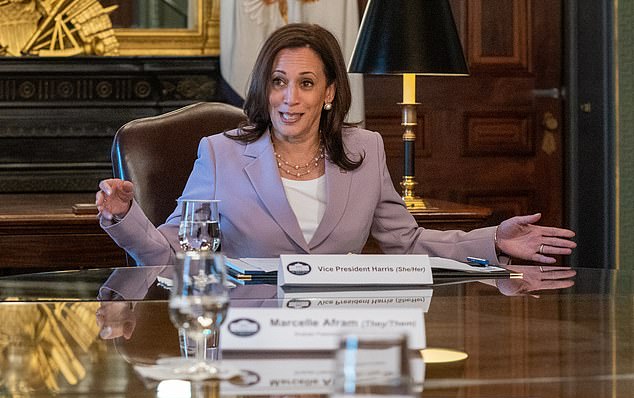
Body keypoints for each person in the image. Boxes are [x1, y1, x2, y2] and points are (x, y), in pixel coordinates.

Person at [96, 23, 576, 266]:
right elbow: (167, 253)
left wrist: (494, 239)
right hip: (250, 337)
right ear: (264, 88)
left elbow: (406, 244)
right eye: (279, 81)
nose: (289, 98)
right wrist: (123, 216)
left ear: (328, 94)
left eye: (306, 83)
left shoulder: (365, 150)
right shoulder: (219, 153)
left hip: (344, 337)